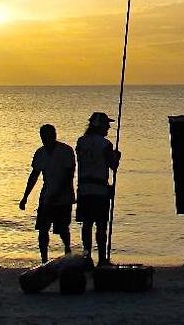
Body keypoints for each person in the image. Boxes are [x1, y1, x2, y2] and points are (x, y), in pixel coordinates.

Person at [19, 124, 76, 263]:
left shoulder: (66, 151)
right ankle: (44, 259)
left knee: (62, 229)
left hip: (64, 197)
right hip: (46, 196)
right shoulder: (40, 153)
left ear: (54, 135)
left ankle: (67, 250)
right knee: (43, 229)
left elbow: (69, 175)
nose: (46, 139)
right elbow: (34, 175)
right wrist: (25, 197)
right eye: (43, 136)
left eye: (49, 135)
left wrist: (59, 193)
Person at [75, 112, 120, 266]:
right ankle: (102, 259)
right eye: (106, 124)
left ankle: (87, 257)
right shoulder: (105, 144)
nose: (108, 127)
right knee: (101, 225)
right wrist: (116, 157)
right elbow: (113, 165)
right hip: (99, 190)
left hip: (83, 189)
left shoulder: (80, 142)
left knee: (86, 225)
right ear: (99, 126)